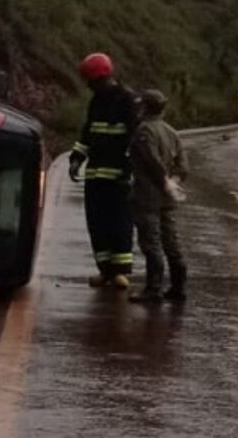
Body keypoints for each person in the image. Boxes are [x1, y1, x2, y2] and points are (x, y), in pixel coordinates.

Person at [69, 52, 142, 289]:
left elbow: (136, 139)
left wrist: (129, 169)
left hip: (118, 176)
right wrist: (77, 157)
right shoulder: (97, 102)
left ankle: (121, 272)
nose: (89, 86)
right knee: (97, 224)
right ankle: (105, 271)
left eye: (90, 81)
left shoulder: (127, 100)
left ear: (100, 78)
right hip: (95, 175)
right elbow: (88, 132)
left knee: (119, 222)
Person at [128, 89, 189, 304]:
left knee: (151, 243)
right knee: (171, 242)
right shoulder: (172, 132)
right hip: (167, 199)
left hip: (147, 197)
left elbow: (151, 161)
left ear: (144, 107)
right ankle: (178, 287)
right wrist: (172, 185)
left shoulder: (144, 131)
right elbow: (183, 168)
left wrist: (163, 182)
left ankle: (153, 289)